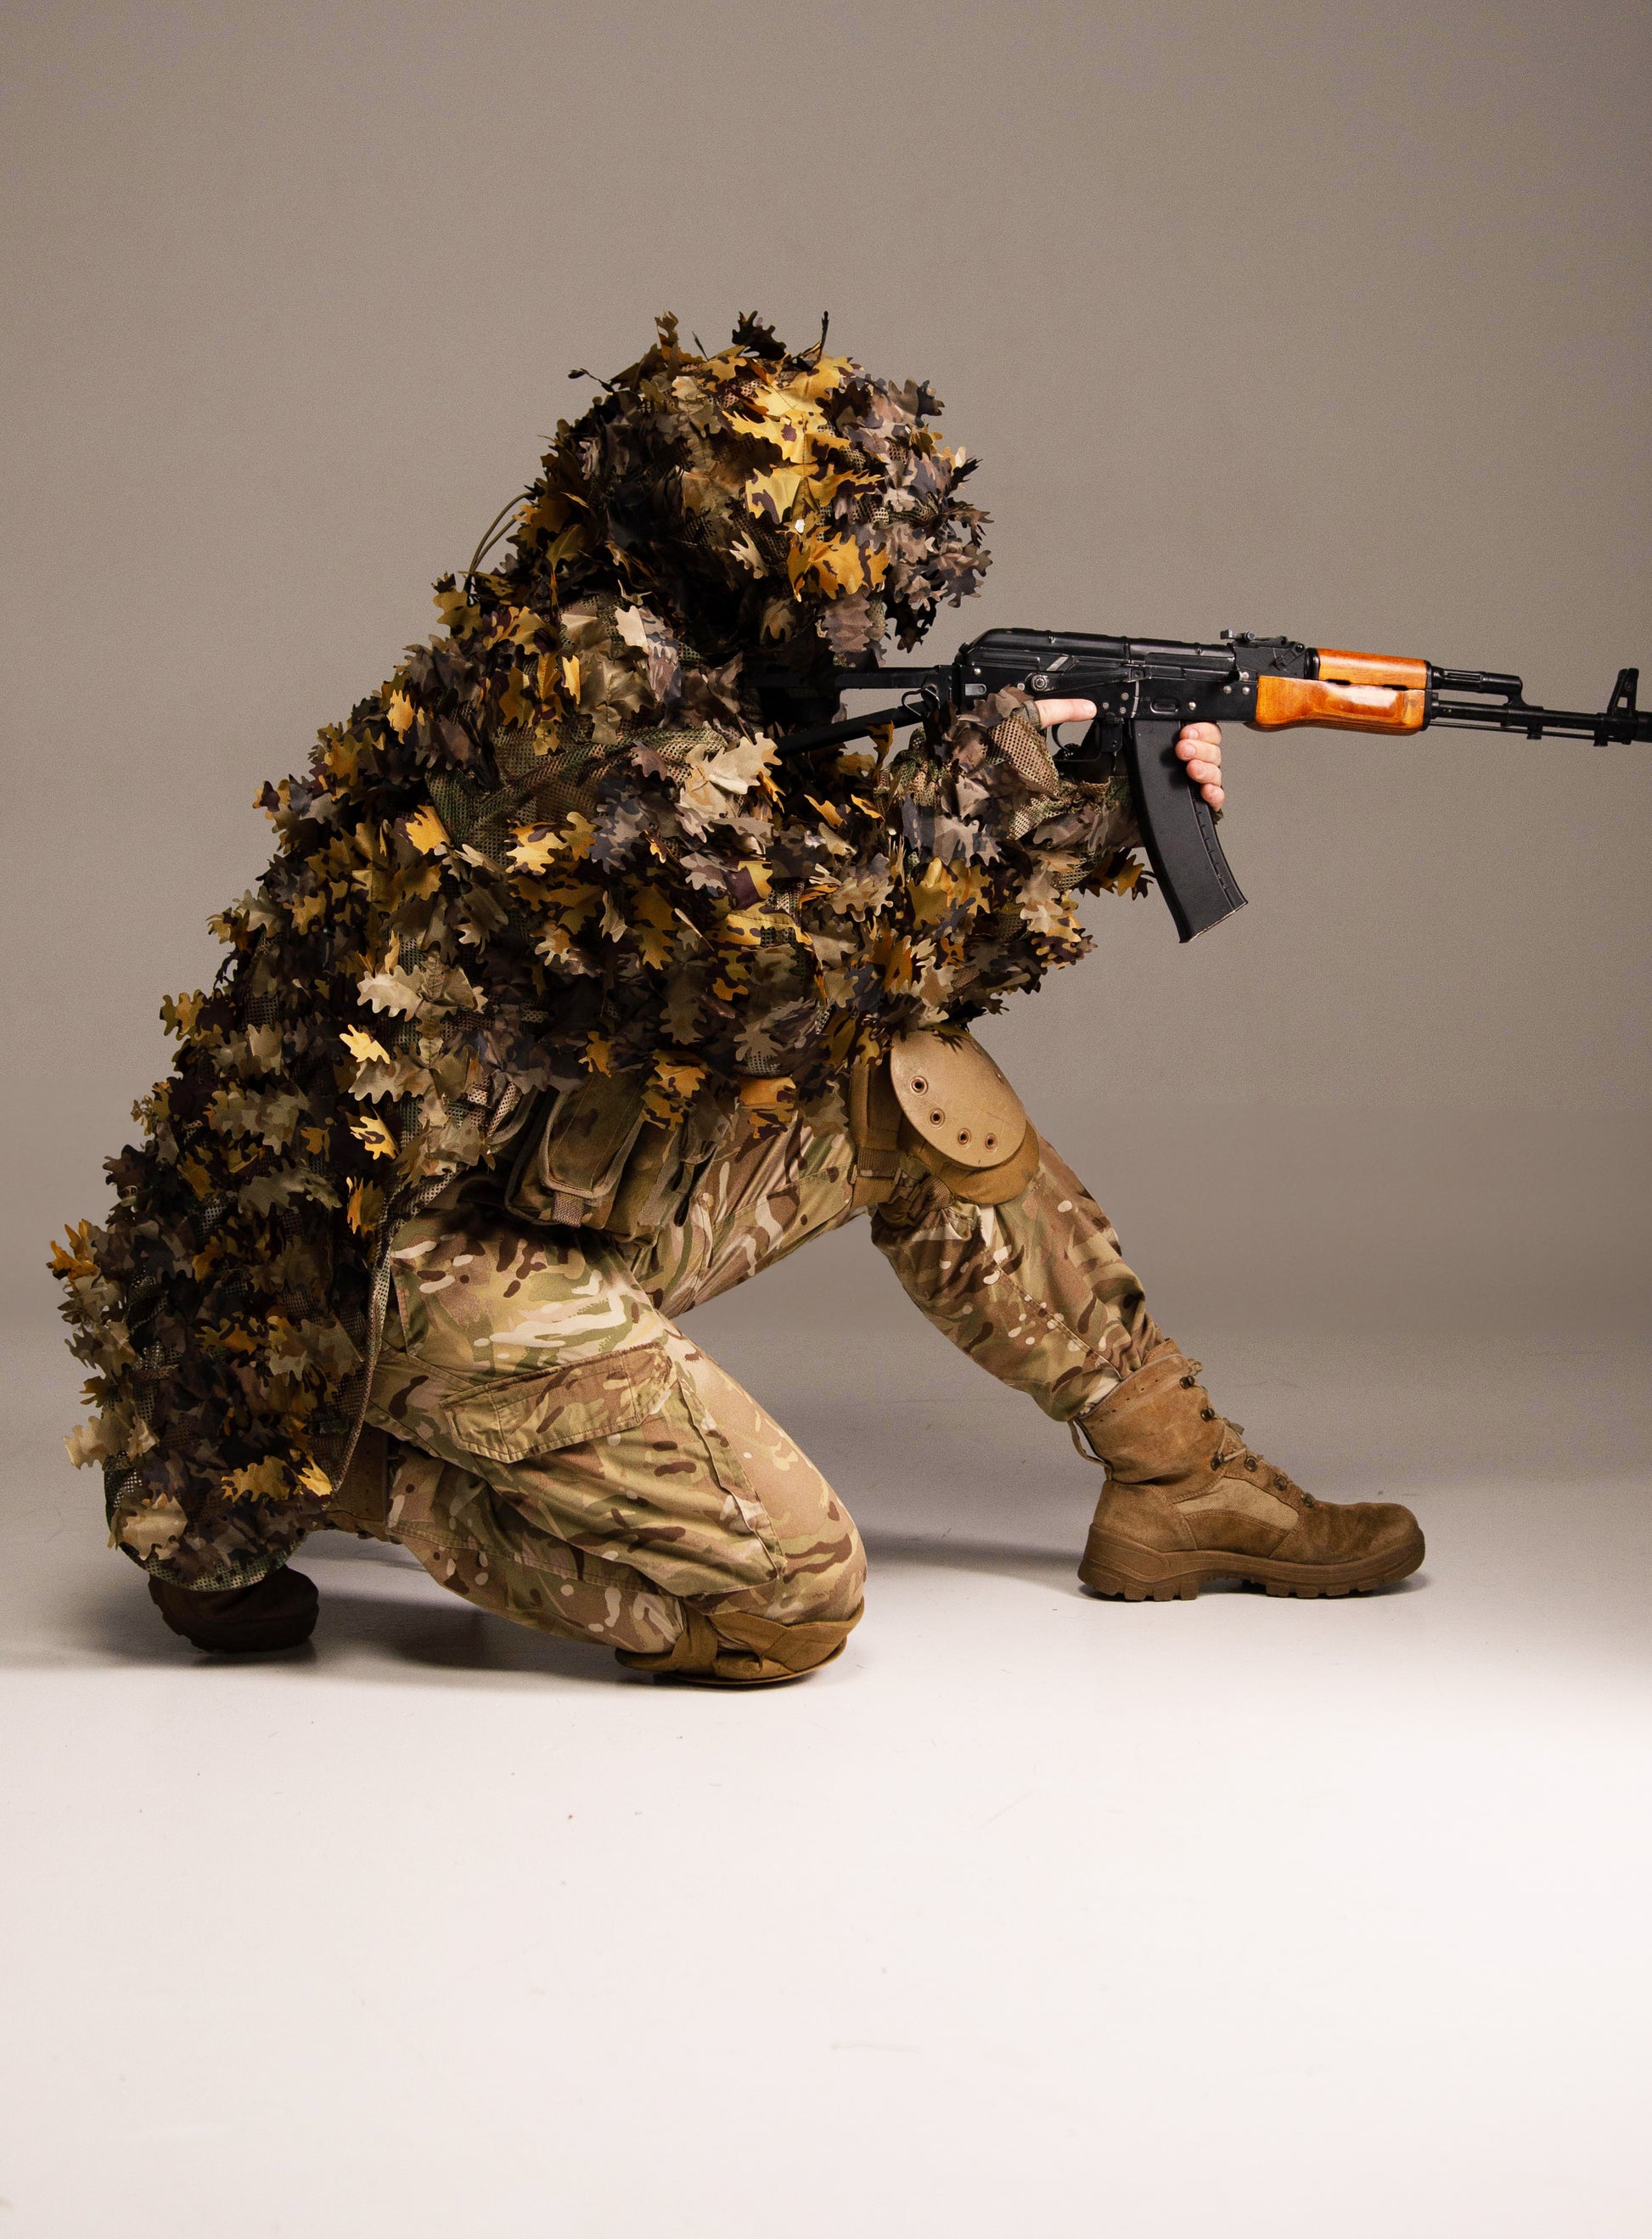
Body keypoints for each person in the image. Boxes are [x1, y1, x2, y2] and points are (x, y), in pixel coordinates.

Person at [55, 313, 1423, 1676]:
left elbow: (845, 932)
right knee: (786, 1606)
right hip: (390, 1262)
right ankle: (322, 1459)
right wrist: (994, 786)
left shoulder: (667, 659)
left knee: (910, 1077)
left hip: (514, 1187)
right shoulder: (580, 694)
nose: (853, 607)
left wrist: (1082, 803)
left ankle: (1179, 1479)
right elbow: (788, 968)